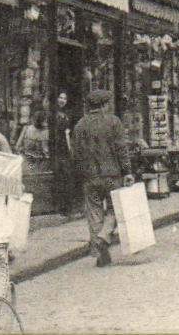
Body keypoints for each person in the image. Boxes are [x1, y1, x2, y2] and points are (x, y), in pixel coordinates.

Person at [70, 88, 135, 267]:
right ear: (105, 104)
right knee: (116, 210)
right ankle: (104, 236)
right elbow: (121, 149)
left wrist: (82, 173)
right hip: (112, 174)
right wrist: (127, 171)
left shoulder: (80, 125)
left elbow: (75, 154)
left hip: (89, 176)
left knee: (94, 213)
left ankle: (99, 252)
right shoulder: (113, 122)